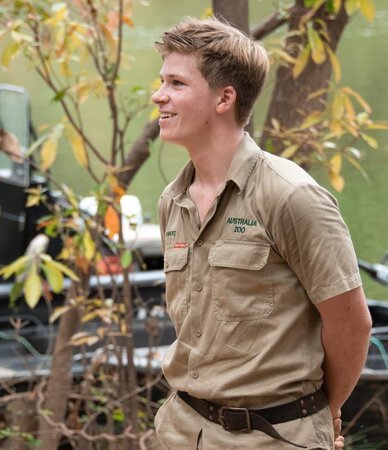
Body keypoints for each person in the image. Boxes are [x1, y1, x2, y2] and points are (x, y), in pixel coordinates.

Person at [151, 17, 372, 449]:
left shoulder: (291, 195)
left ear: (224, 98)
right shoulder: (171, 201)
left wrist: (320, 413)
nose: (159, 95)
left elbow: (351, 323)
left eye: (176, 83)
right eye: (162, 81)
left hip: (274, 438)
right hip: (184, 432)